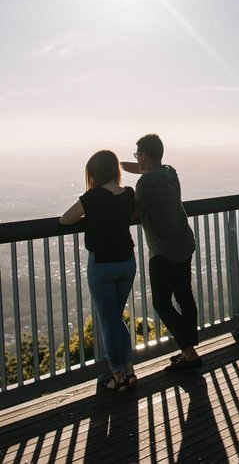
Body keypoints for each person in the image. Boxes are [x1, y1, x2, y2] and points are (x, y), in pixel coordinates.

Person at [122, 133, 202, 372]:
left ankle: (189, 353)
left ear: (144, 155)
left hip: (163, 250)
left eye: (138, 156)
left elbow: (134, 212)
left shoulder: (146, 183)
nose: (137, 160)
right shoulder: (170, 172)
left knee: (161, 302)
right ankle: (190, 352)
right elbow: (149, 171)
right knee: (184, 296)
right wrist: (125, 166)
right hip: (183, 243)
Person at [60, 150, 137, 392]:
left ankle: (117, 374)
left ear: (95, 173)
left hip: (102, 266)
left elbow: (66, 219)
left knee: (108, 321)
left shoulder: (91, 198)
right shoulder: (128, 194)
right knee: (116, 317)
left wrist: (91, 218)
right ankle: (129, 369)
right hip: (127, 262)